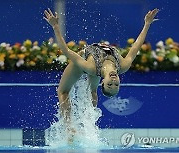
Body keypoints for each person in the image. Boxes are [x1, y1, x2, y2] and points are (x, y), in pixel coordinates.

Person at [44, 8, 159, 138]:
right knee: (92, 91)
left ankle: (69, 127)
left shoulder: (91, 67)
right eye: (116, 85)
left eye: (110, 85)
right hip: (97, 69)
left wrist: (55, 26)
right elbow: (136, 47)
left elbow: (66, 51)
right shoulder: (123, 66)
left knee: (63, 91)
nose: (114, 82)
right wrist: (147, 24)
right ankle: (86, 125)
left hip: (83, 63)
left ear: (103, 82)